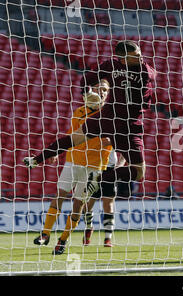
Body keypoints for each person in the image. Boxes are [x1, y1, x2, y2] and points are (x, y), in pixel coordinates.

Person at [23, 40, 157, 202]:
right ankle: (98, 178)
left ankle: (36, 160)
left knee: (73, 139)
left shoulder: (111, 64)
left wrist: (87, 94)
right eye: (136, 56)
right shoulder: (144, 71)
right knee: (139, 172)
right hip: (128, 126)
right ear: (123, 58)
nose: (141, 58)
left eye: (140, 54)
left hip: (105, 117)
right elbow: (153, 74)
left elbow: (85, 80)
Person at [31, 77, 112, 255]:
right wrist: (56, 152)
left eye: (105, 90)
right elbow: (71, 135)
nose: (102, 92)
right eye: (99, 88)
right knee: (60, 195)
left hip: (95, 166)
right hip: (73, 160)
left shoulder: (111, 115)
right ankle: (45, 234)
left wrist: (108, 140)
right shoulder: (79, 112)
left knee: (78, 205)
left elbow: (113, 139)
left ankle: (62, 241)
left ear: (109, 93)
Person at [82, 150, 126, 248]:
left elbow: (124, 149)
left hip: (110, 170)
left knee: (108, 205)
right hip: (93, 169)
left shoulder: (114, 136)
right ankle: (89, 227)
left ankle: (107, 239)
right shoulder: (93, 135)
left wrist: (120, 164)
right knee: (87, 204)